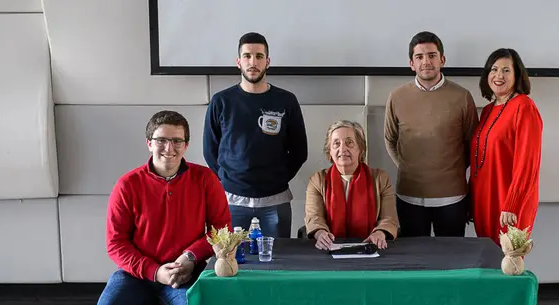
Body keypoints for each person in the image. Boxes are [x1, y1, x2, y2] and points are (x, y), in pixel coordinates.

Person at [96, 111, 231, 305]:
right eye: (161, 140)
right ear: (149, 142)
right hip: (137, 274)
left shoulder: (205, 180)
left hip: (185, 272)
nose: (168, 148)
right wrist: (154, 271)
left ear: (186, 145)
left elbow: (221, 228)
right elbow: (116, 244)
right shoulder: (127, 185)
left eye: (176, 141)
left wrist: (189, 257)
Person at [203, 31, 308, 238]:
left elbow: (299, 151)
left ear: (267, 62)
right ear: (238, 62)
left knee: (277, 260)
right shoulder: (221, 101)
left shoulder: (286, 101)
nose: (253, 62)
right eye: (247, 56)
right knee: (231, 262)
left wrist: (276, 178)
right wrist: (230, 180)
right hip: (232, 201)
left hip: (275, 199)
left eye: (259, 56)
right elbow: (210, 150)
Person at [384, 31, 477, 238]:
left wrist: (449, 171)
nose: (426, 61)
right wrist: (409, 167)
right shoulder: (397, 96)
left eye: (432, 55)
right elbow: (390, 139)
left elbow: (473, 144)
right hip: (409, 196)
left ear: (442, 59)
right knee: (415, 262)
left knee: (451, 262)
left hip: (452, 198)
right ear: (411, 63)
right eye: (419, 57)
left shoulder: (462, 97)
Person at [470, 48, 543, 246]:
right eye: (493, 69)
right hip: (484, 202)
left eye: (506, 70)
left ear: (517, 74)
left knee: (508, 264)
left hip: (508, 204)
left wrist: (512, 204)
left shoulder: (524, 107)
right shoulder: (486, 111)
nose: (498, 75)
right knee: (489, 262)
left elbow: (527, 163)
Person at [305, 120, 398, 250]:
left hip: (370, 247)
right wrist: (321, 233)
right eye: (336, 144)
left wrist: (380, 233)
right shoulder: (317, 180)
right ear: (329, 151)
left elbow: (389, 218)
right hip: (330, 249)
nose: (342, 149)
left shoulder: (380, 178)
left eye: (349, 143)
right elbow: (314, 218)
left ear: (361, 148)